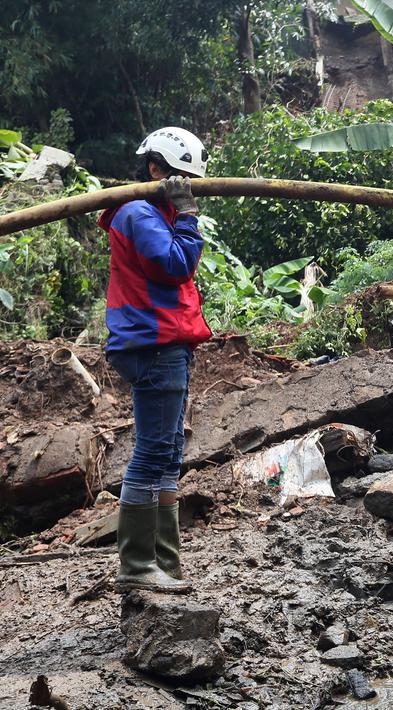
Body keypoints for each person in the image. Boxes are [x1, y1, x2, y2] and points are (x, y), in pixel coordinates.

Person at [103, 127, 213, 594]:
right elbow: (174, 264)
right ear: (156, 170)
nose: (190, 189)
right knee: (151, 455)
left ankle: (165, 562)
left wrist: (181, 216)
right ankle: (137, 566)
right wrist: (188, 218)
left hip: (166, 343)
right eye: (182, 179)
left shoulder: (154, 212)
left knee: (168, 455)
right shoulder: (139, 212)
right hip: (153, 343)